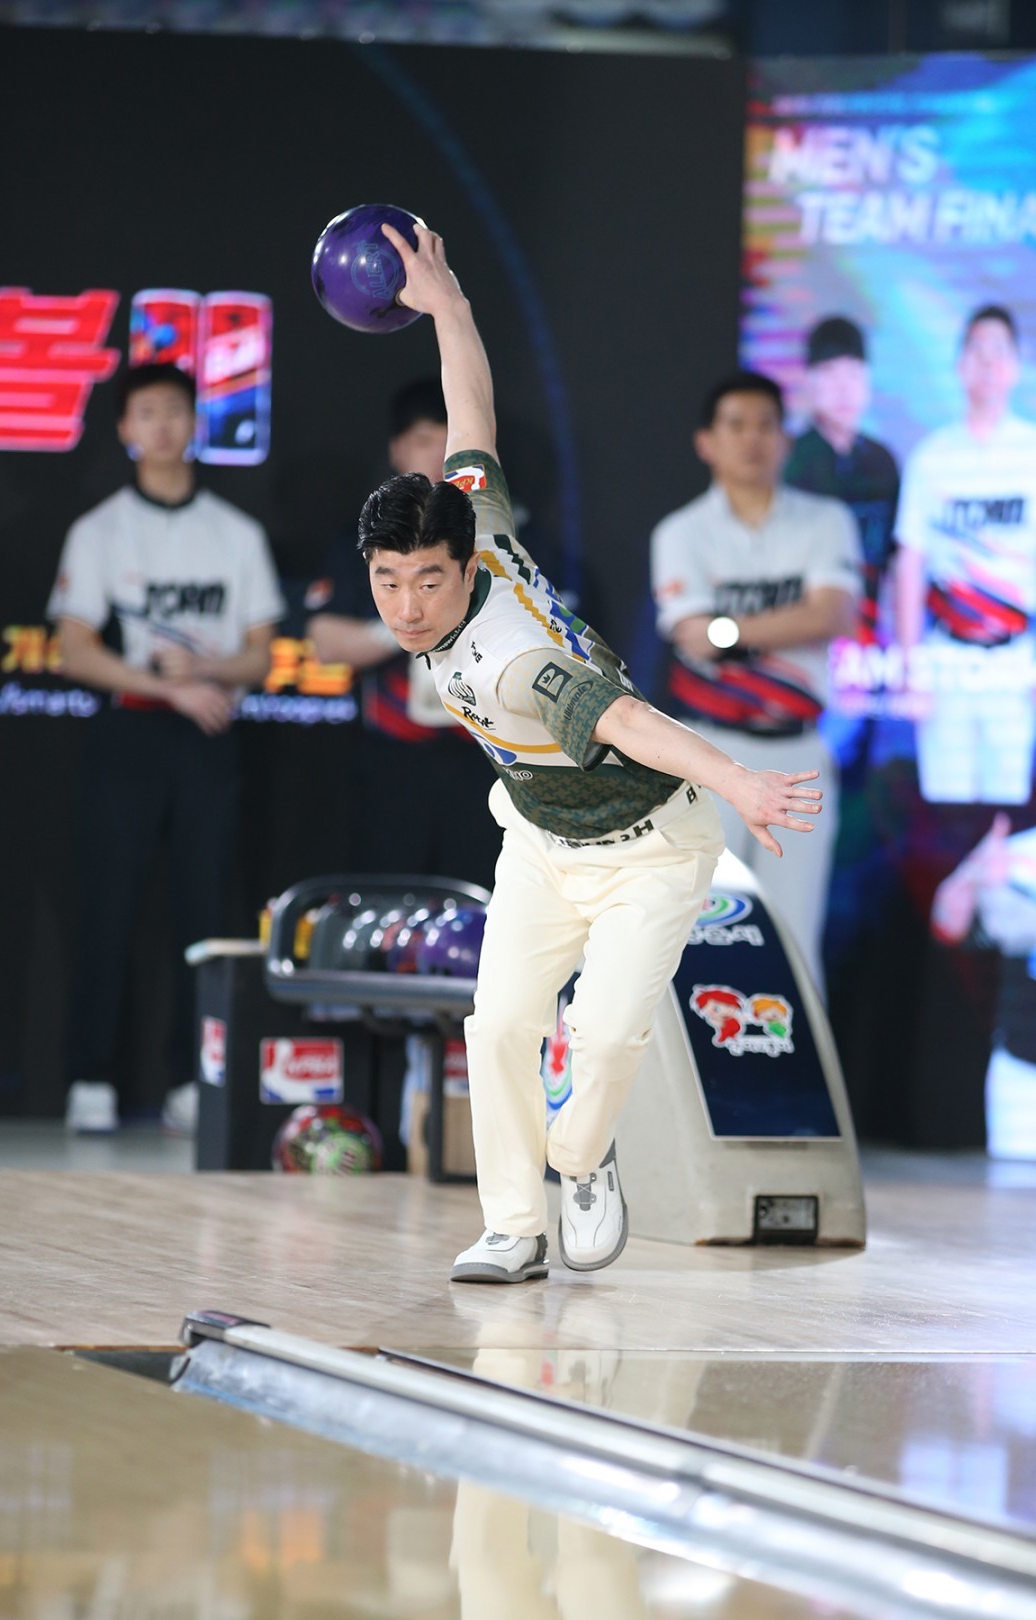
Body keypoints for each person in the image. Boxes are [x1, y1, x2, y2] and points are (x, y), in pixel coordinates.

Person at [357, 223, 825, 1284]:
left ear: (461, 571)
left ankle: (581, 1159)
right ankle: (514, 1227)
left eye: (427, 583)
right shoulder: (473, 518)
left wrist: (740, 781)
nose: (409, 607)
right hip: (539, 838)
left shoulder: (511, 662)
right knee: (499, 1025)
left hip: (649, 846)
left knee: (604, 1041)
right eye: (388, 583)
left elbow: (627, 724)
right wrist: (448, 304)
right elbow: (470, 410)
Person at [48, 362, 284, 1134]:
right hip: (128, 735)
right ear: (124, 428)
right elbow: (73, 650)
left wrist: (206, 673)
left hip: (209, 735)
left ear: (194, 424)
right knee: (107, 904)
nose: (161, 425)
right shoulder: (100, 529)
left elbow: (261, 655)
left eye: (175, 410)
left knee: (204, 910)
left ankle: (191, 1077)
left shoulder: (236, 533)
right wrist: (166, 686)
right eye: (145, 412)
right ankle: (91, 1076)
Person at [650, 371, 861, 991]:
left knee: (794, 936)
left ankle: (795, 1057)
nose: (752, 439)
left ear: (786, 440)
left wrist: (730, 631)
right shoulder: (680, 532)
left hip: (799, 753)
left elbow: (834, 615)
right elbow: (690, 636)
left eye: (766, 425)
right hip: (709, 750)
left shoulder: (827, 521)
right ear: (706, 442)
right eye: (736, 425)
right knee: (700, 927)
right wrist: (780, 624)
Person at [308, 377, 501, 890]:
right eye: (422, 440)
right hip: (393, 757)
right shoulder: (364, 540)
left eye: (449, 440)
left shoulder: (504, 541)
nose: (437, 455)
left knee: (481, 903)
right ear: (397, 450)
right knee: (387, 898)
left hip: (488, 755)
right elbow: (325, 640)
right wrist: (410, 622)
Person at [895, 304, 1036, 805]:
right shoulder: (932, 457)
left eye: (1000, 350)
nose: (988, 361)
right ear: (959, 365)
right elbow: (910, 566)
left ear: (1016, 366)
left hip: (1015, 660)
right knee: (946, 807)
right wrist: (911, 669)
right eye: (977, 349)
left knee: (1008, 809)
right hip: (946, 659)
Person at [785, 316, 900, 648]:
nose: (843, 388)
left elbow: (896, 557)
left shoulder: (882, 462)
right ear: (810, 381)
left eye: (853, 374)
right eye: (830, 373)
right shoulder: (789, 461)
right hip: (804, 630)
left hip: (870, 633)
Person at [932, 813, 1036, 1159]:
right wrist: (972, 875)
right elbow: (948, 928)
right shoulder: (1016, 854)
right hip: (1022, 1069)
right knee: (1011, 1180)